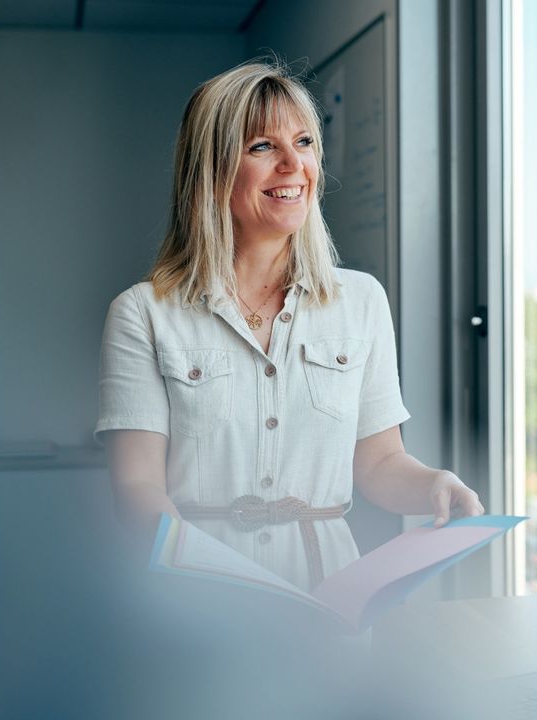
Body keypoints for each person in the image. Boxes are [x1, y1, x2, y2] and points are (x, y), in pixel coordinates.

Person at [95, 59, 484, 592]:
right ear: (210, 172)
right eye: (261, 147)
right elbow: (138, 487)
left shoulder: (362, 300)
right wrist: (202, 583)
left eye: (303, 142)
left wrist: (436, 485)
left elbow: (380, 463)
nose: (292, 165)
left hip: (330, 595)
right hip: (198, 602)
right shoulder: (143, 312)